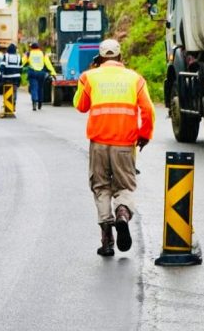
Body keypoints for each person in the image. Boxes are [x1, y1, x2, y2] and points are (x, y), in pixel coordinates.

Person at [73, 38, 155, 257]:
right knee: (125, 186)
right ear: (120, 57)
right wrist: (144, 135)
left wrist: (89, 76)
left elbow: (80, 106)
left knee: (100, 187)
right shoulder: (135, 79)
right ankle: (122, 213)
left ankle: (107, 239)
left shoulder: (89, 77)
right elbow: (148, 110)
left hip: (99, 143)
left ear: (99, 58)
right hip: (125, 144)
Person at [23, 42, 56, 111]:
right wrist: (53, 73)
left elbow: (22, 62)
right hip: (41, 73)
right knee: (40, 88)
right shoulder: (43, 54)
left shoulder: (29, 54)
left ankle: (34, 102)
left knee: (33, 88)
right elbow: (48, 64)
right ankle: (40, 103)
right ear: (38, 47)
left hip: (32, 73)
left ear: (31, 47)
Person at [0, 43, 24, 111]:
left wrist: (1, 73)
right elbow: (21, 68)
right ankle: (13, 103)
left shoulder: (5, 56)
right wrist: (19, 75)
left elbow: (2, 66)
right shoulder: (19, 57)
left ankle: (7, 104)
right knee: (14, 90)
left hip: (7, 77)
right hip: (16, 77)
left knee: (7, 90)